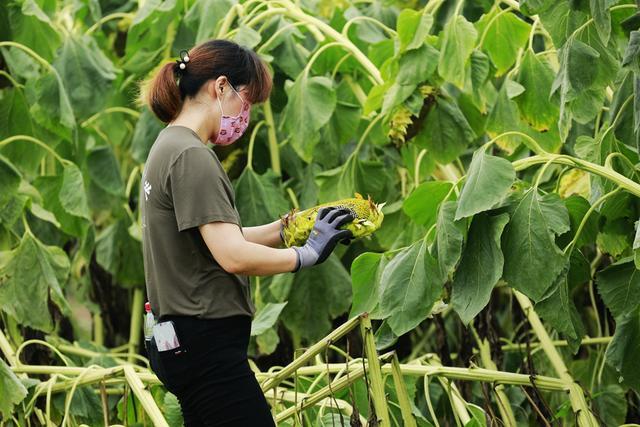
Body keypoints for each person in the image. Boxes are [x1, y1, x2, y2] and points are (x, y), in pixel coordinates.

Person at [136, 39, 354, 426]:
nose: (245, 114)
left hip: (178, 342)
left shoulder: (167, 147)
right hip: (206, 347)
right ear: (220, 87)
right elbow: (232, 255)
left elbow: (214, 239)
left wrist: (287, 231)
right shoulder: (192, 156)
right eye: (246, 100)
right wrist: (307, 255)